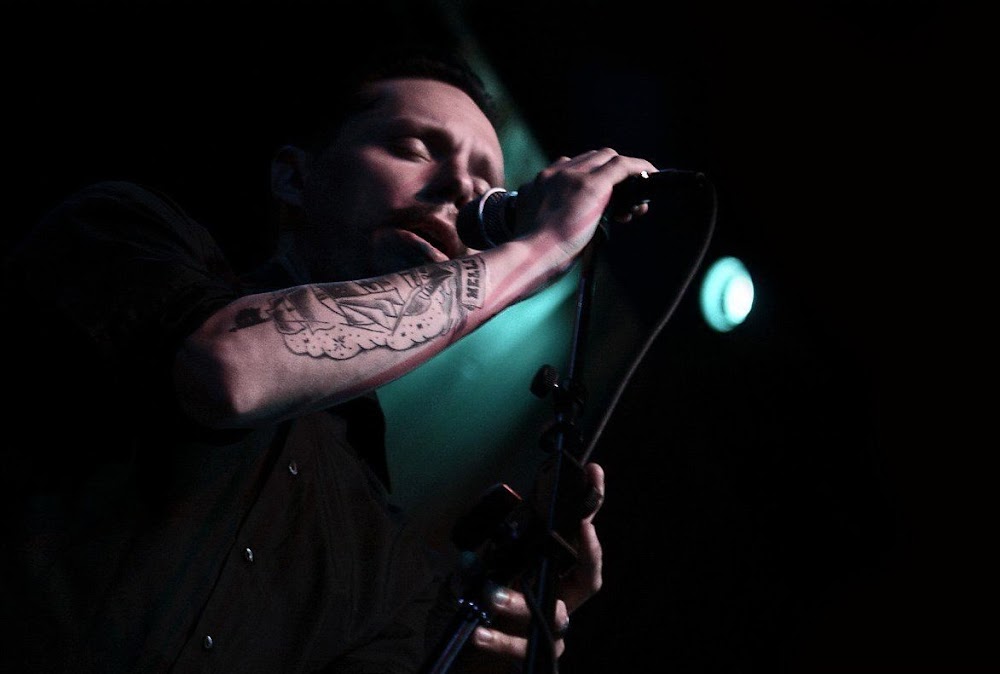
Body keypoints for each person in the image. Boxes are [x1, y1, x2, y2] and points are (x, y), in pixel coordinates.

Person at [1, 44, 658, 673]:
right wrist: (538, 249)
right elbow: (228, 373)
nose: (461, 186)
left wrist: (475, 646)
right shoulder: (123, 232)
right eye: (413, 147)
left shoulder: (378, 548)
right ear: (296, 175)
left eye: (486, 183)